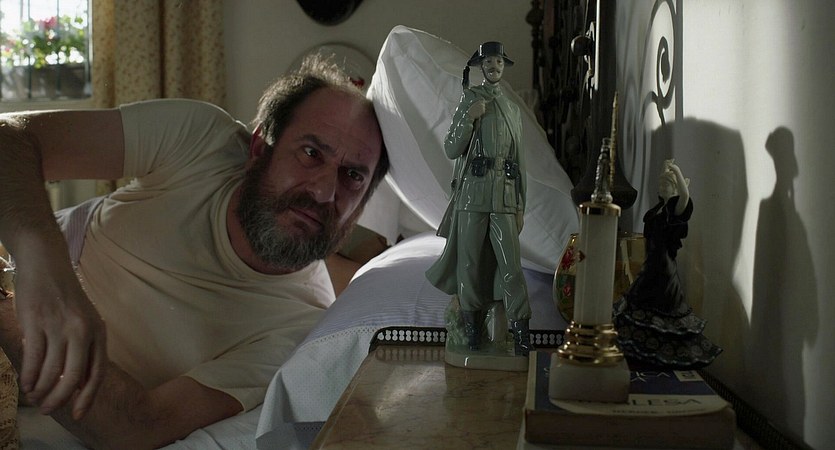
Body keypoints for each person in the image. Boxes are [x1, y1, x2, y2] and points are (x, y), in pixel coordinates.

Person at [0, 54, 389, 448]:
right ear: (259, 146)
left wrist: (7, 310)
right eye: (310, 153)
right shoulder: (201, 139)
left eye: (352, 176)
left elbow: (135, 426)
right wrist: (45, 270)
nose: (323, 191)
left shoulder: (301, 331)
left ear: (360, 210)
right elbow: (8, 136)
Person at [425, 42, 532, 356]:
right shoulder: (470, 99)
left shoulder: (512, 109)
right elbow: (451, 148)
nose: (494, 66)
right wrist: (468, 119)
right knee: (469, 264)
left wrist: (521, 205)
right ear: (480, 67)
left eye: (498, 61)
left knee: (512, 267)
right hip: (473, 195)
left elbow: (519, 162)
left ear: (503, 65)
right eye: (488, 62)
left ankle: (521, 332)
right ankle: (473, 331)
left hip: (504, 198)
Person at [614, 159, 721, 368]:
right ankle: (641, 352)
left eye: (667, 185)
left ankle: (665, 354)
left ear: (675, 189)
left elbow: (685, 197)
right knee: (639, 300)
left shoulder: (674, 211)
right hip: (650, 262)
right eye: (661, 184)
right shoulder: (657, 210)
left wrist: (677, 172)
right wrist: (665, 172)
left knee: (662, 302)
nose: (662, 187)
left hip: (664, 266)